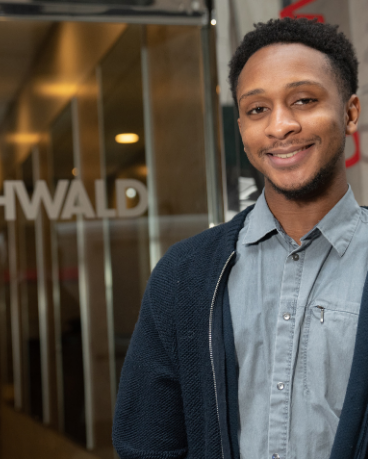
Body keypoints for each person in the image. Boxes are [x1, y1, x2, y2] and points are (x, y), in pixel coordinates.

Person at [112, 17, 368, 459]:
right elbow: (146, 444)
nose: (280, 126)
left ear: (349, 113)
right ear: (242, 129)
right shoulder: (185, 273)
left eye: (304, 100)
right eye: (257, 109)